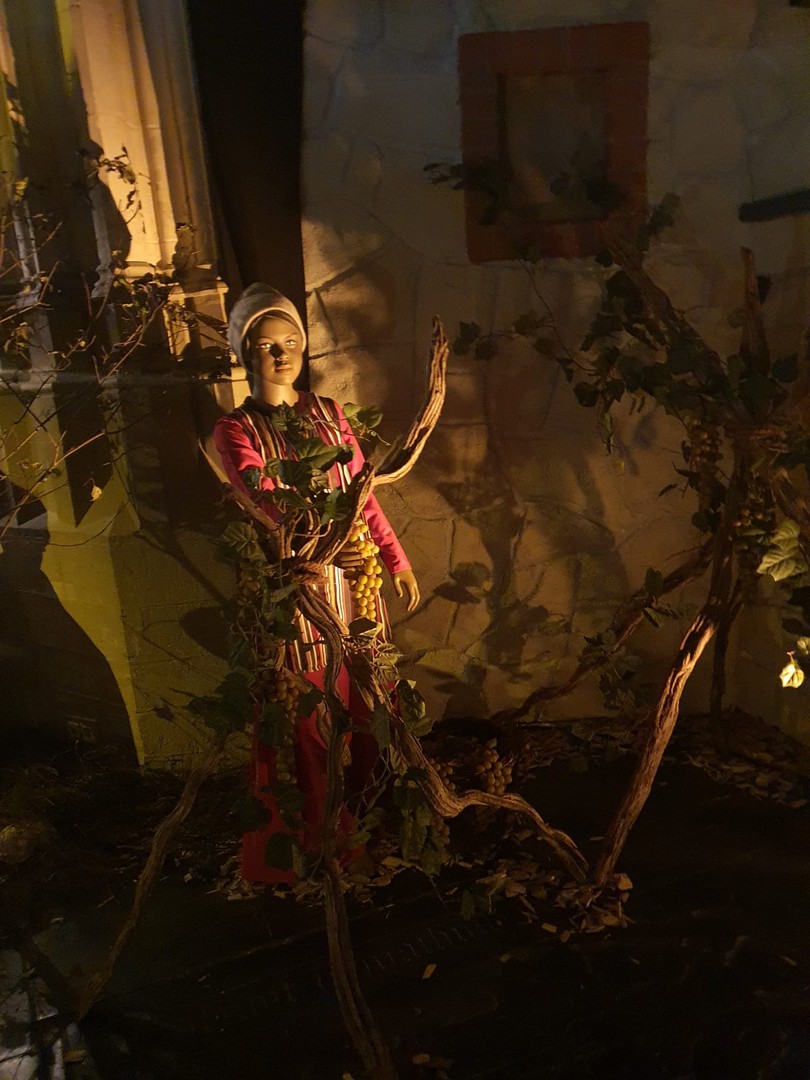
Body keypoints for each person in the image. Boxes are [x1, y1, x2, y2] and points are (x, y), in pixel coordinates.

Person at [214, 284, 419, 883]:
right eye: (265, 344)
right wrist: (331, 537)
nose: (281, 354)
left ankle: (378, 813)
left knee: (372, 697)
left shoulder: (329, 414)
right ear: (244, 352)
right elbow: (265, 498)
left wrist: (394, 558)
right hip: (299, 588)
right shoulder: (236, 430)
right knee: (310, 713)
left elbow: (362, 493)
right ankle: (326, 836)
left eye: (290, 341)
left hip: (356, 584)